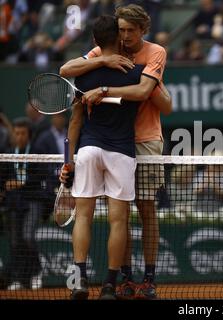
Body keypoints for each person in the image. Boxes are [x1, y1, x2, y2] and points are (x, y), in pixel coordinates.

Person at [60, 4, 172, 300]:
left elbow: (154, 98)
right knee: (118, 216)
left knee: (145, 212)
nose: (124, 36)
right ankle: (121, 278)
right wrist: (105, 61)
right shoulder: (104, 53)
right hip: (117, 147)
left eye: (130, 31)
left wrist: (104, 90)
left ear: (142, 30)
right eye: (120, 30)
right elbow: (65, 70)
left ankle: (147, 278)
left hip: (144, 140)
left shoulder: (155, 53)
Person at [0, 118, 46, 290]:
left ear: (29, 135)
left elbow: (42, 176)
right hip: (14, 202)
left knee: (27, 236)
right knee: (15, 242)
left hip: (33, 199)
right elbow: (3, 178)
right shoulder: (8, 152)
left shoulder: (37, 151)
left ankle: (36, 272)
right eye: (16, 133)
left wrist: (22, 183)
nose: (19, 136)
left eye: (22, 133)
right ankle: (20, 278)